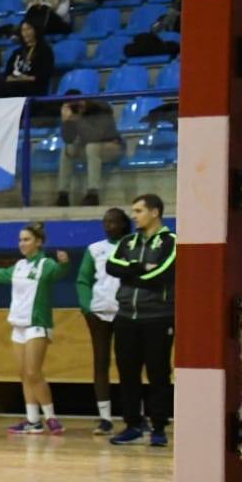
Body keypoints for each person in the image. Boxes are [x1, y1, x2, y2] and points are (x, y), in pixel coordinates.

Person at [0, 224, 69, 435]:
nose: (22, 243)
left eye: (27, 239)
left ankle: (51, 418)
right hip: (18, 325)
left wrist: (65, 263)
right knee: (24, 374)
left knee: (34, 372)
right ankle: (33, 420)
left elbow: (59, 272)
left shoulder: (46, 264)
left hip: (37, 324)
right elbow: (0, 274)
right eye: (20, 239)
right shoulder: (19, 266)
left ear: (38, 242)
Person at [105, 193, 175, 447]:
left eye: (138, 211)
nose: (134, 216)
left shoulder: (171, 241)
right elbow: (111, 266)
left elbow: (163, 273)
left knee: (158, 373)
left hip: (158, 316)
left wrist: (130, 273)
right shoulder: (127, 241)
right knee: (127, 373)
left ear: (155, 212)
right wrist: (140, 267)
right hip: (126, 316)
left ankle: (159, 427)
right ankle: (133, 425)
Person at [77, 207, 131, 434]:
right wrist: (86, 308)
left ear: (123, 224)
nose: (108, 226)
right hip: (98, 313)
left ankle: (134, 418)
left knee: (129, 364)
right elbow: (83, 280)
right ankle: (105, 418)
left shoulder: (133, 246)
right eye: (105, 222)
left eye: (113, 222)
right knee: (101, 363)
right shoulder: (94, 249)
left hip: (126, 313)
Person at [57, 94, 122, 206]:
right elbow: (68, 139)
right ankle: (63, 195)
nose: (76, 108)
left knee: (92, 147)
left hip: (112, 147)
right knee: (67, 149)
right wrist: (67, 121)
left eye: (76, 105)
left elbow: (96, 136)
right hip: (90, 149)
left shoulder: (101, 108)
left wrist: (79, 119)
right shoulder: (75, 116)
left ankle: (93, 194)